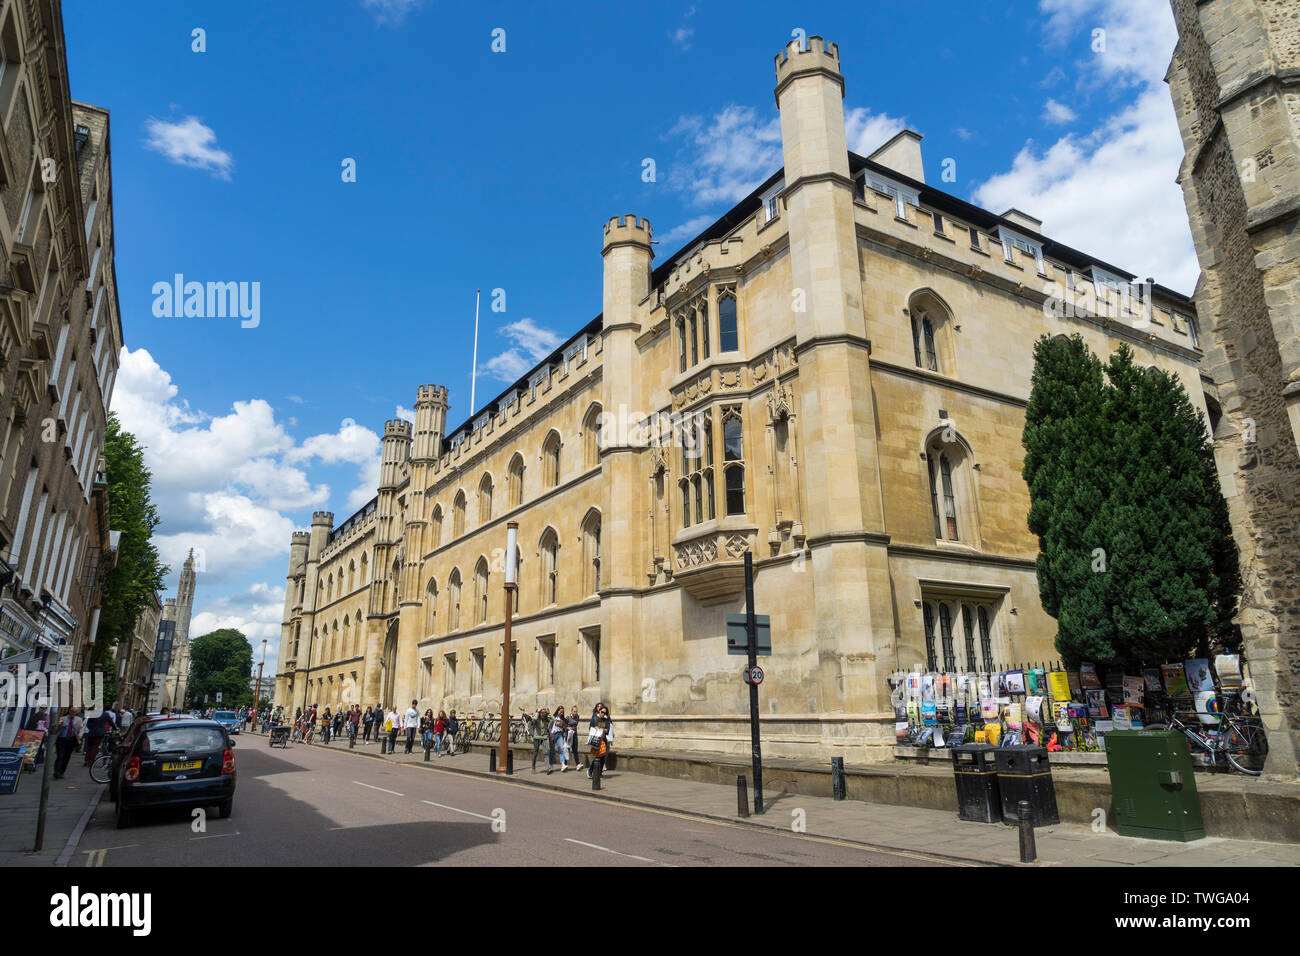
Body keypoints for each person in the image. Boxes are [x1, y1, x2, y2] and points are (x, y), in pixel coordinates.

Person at [52, 707, 84, 779]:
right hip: (61, 739)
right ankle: (56, 771)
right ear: (69, 711)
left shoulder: (79, 719)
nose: (73, 713)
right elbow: (56, 729)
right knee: (60, 756)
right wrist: (59, 726)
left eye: (75, 712)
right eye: (72, 711)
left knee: (67, 757)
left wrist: (80, 735)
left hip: (72, 740)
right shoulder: (63, 718)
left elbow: (82, 729)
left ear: (76, 713)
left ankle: (61, 772)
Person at [587, 703, 612, 780]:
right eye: (602, 712)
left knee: (603, 757)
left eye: (605, 712)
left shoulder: (606, 719)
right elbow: (591, 727)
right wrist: (599, 728)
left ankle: (599, 773)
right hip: (596, 740)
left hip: (603, 740)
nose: (603, 714)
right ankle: (590, 771)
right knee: (598, 757)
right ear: (599, 711)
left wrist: (600, 728)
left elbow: (607, 730)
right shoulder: (595, 718)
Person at [530, 707, 552, 773]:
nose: (543, 714)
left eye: (544, 713)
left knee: (546, 752)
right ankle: (533, 768)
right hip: (537, 737)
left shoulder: (546, 718)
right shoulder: (536, 718)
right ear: (539, 713)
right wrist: (537, 712)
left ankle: (547, 768)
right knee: (535, 752)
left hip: (544, 737)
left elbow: (552, 720)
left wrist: (548, 713)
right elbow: (533, 720)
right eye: (542, 713)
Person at [551, 706, 570, 772]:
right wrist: (551, 736)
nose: (561, 713)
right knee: (551, 751)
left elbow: (564, 730)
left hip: (559, 735)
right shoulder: (553, 717)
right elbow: (549, 727)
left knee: (561, 750)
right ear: (557, 711)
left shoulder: (563, 720)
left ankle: (562, 765)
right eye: (560, 711)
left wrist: (564, 738)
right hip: (553, 735)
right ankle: (550, 766)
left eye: (562, 712)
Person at [567, 704, 581, 770]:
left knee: (575, 750)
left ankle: (577, 764)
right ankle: (565, 764)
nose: (575, 713)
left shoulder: (577, 716)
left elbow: (576, 724)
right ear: (571, 711)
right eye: (574, 711)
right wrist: (568, 728)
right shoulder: (567, 717)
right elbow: (565, 726)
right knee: (567, 749)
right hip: (569, 735)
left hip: (575, 735)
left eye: (576, 711)